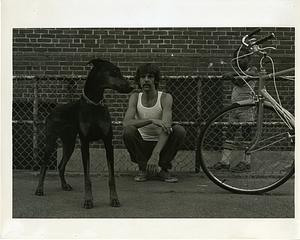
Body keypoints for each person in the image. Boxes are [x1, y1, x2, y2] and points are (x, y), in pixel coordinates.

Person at [122, 63, 186, 182]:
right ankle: (143, 169)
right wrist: (151, 120)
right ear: (139, 80)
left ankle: (163, 169)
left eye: (150, 76)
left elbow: (166, 127)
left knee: (179, 130)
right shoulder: (135, 97)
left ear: (155, 80)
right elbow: (126, 123)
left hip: (162, 145)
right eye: (142, 77)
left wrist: (155, 155)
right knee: (128, 131)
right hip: (142, 145)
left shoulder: (165, 97)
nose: (146, 80)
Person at [212, 46, 258, 172]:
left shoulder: (252, 69)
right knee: (230, 133)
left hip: (247, 107)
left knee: (246, 135)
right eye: (237, 58)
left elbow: (243, 81)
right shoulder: (237, 71)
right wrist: (233, 75)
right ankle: (225, 161)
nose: (240, 61)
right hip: (234, 107)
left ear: (249, 59)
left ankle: (246, 162)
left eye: (243, 58)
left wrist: (232, 75)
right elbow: (237, 82)